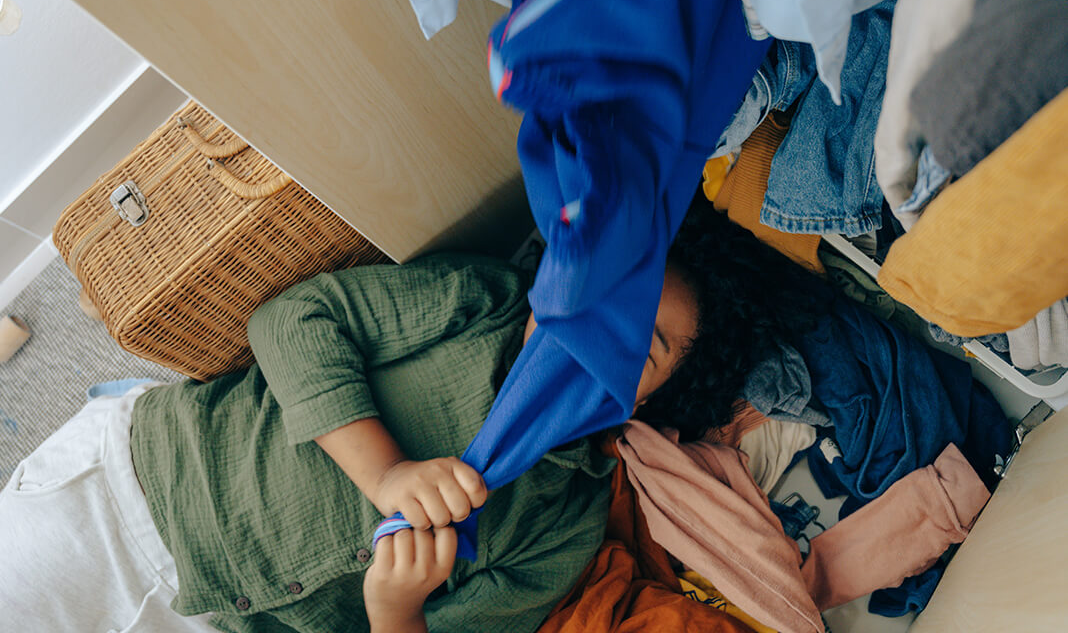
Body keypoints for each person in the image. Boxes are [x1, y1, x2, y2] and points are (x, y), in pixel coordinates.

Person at [0, 241, 709, 633]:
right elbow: (289, 322)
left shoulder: (563, 527)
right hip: (135, 493)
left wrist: (393, 609)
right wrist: (386, 474)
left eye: (643, 349)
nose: (606, 333)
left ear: (642, 401)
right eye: (608, 299)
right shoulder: (476, 302)